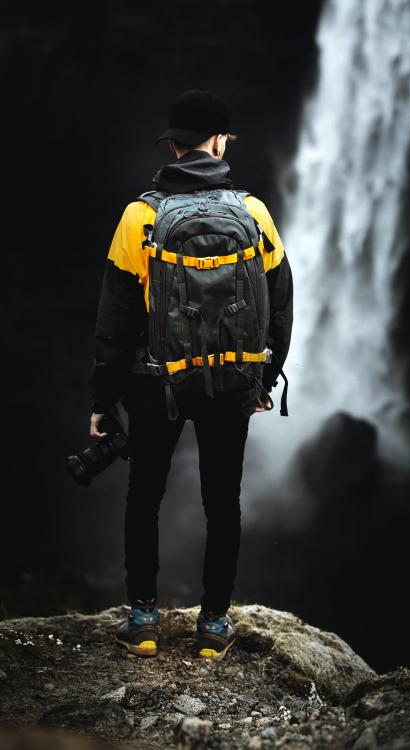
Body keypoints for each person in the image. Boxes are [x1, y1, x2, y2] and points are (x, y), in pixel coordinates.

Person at [89, 89, 293, 660]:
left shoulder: (141, 215)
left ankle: (144, 622)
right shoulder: (253, 212)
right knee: (223, 501)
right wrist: (265, 377)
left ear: (174, 145)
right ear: (222, 142)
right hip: (232, 382)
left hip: (156, 384)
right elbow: (280, 302)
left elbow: (117, 316)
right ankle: (214, 627)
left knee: (144, 496)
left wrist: (104, 398)